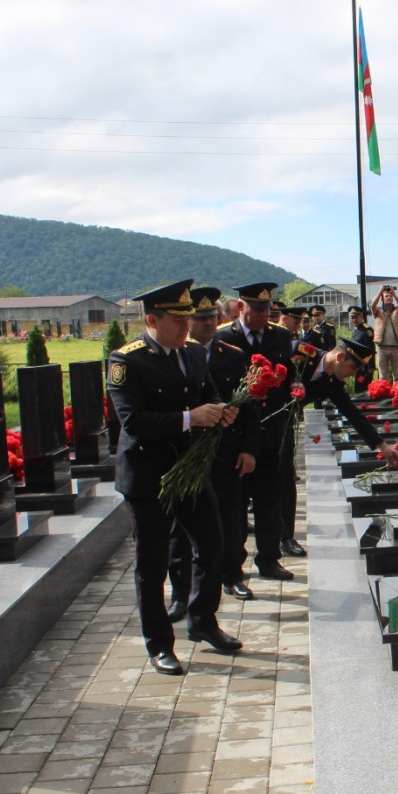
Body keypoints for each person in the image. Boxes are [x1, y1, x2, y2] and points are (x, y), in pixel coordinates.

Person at [108, 279, 242, 675]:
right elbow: (132, 420)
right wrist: (190, 418)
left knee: (213, 545)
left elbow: (210, 392)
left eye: (188, 319)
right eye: (176, 320)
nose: (186, 327)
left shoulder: (195, 354)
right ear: (152, 319)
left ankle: (202, 621)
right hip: (149, 477)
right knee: (153, 564)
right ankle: (159, 643)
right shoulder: (127, 360)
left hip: (191, 472)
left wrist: (221, 410)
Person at [168, 287, 259, 608]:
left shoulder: (232, 355)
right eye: (200, 318)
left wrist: (249, 449)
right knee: (182, 527)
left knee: (231, 516)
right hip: (188, 453)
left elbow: (249, 407)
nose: (208, 324)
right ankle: (181, 592)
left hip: (227, 450)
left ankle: (232, 575)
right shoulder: (176, 356)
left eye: (212, 317)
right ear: (187, 320)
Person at [214, 282, 298, 579]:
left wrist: (294, 387)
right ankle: (234, 565)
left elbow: (288, 374)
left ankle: (269, 558)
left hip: (271, 431)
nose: (263, 315)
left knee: (268, 498)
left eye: (267, 310)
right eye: (257, 309)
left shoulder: (280, 336)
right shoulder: (224, 338)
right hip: (234, 435)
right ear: (241, 308)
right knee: (236, 505)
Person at [294, 336, 398, 469]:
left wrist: (383, 446)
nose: (353, 374)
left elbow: (353, 414)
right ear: (339, 357)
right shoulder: (299, 351)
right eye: (353, 367)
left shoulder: (334, 383)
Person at [371, 286, 398, 381]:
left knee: (397, 375)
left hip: (396, 346)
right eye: (386, 296)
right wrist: (379, 292)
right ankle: (383, 392)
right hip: (382, 347)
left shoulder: (396, 310)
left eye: (390, 296)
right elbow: (372, 306)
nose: (389, 298)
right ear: (382, 299)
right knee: (382, 376)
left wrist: (394, 294)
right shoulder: (378, 311)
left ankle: (397, 392)